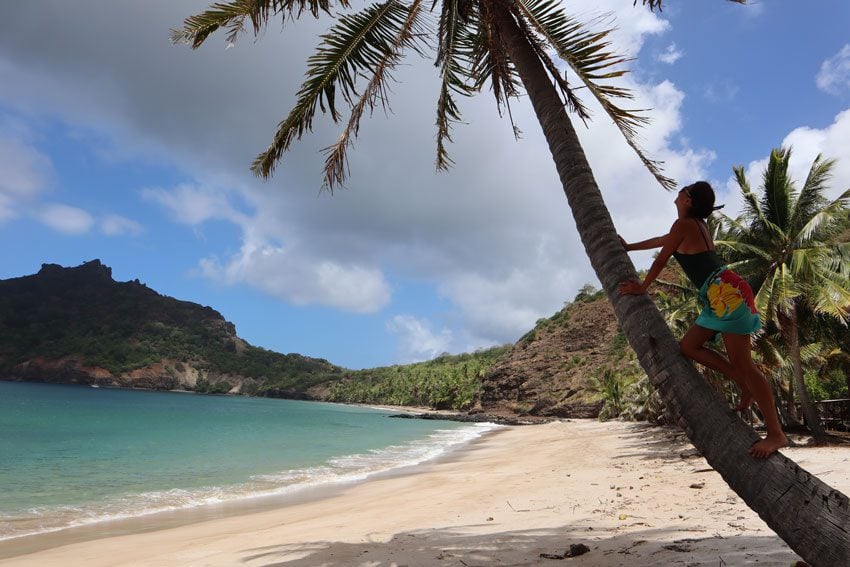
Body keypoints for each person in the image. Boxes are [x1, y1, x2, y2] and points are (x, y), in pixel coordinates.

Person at [618, 181, 787, 458]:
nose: (677, 195)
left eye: (681, 192)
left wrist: (642, 287)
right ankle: (740, 381)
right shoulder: (691, 226)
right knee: (688, 347)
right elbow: (662, 241)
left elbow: (662, 258)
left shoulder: (685, 226)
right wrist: (629, 247)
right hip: (720, 292)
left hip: (725, 293)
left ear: (687, 199)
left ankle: (776, 433)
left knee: (745, 364)